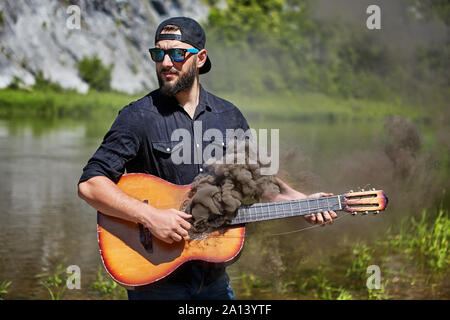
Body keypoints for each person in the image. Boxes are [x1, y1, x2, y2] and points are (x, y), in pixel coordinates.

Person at [77, 16, 337, 300]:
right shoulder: (137, 116)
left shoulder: (229, 115)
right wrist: (150, 217)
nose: (166, 63)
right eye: (158, 53)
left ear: (200, 58)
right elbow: (91, 185)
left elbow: (255, 181)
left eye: (177, 53)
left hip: (213, 280)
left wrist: (300, 201)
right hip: (156, 280)